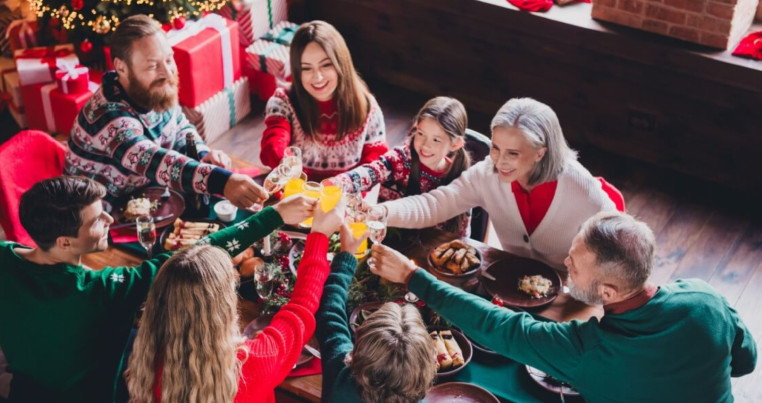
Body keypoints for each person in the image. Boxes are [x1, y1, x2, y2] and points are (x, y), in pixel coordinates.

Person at [370, 211, 758, 403]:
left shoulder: (593, 353)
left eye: (575, 264)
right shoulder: (705, 298)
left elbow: (499, 326)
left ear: (606, 292)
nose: (566, 263)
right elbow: (747, 361)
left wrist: (412, 276)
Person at [0, 176, 314, 403]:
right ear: (65, 242)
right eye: (98, 220)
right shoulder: (100, 291)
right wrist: (275, 215)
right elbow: (194, 255)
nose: (111, 222)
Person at [126, 199, 345, 403]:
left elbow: (183, 268)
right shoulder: (252, 362)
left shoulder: (145, 349)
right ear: (224, 307)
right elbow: (303, 307)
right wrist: (319, 236)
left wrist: (275, 215)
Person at [379, 97, 616, 269]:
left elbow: (617, 246)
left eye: (513, 153)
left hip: (570, 294)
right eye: (495, 148)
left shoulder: (579, 185)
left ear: (540, 153)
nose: (500, 162)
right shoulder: (488, 173)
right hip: (510, 284)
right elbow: (436, 204)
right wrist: (381, 212)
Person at [65, 14, 267, 210]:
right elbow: (150, 159)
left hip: (148, 197)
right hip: (98, 218)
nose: (167, 72)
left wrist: (202, 153)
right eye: (153, 65)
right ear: (121, 67)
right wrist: (222, 182)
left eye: (169, 60)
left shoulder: (152, 89)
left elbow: (180, 127)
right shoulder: (107, 116)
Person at [316, 223, 436, 403]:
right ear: (425, 368)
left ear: (357, 348)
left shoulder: (339, 372)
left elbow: (329, 311)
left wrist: (346, 256)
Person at [260, 20, 389, 182]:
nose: (317, 77)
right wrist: (284, 163)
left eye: (326, 65)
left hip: (345, 196)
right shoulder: (283, 100)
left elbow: (376, 162)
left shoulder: (368, 107)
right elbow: (273, 144)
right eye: (306, 68)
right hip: (295, 193)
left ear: (341, 63)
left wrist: (346, 186)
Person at [331, 96, 472, 235]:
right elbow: (371, 172)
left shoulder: (462, 183)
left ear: (455, 144)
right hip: (388, 242)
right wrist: (338, 183)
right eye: (421, 133)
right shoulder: (400, 159)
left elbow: (462, 237)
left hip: (431, 254)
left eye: (436, 140)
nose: (425, 145)